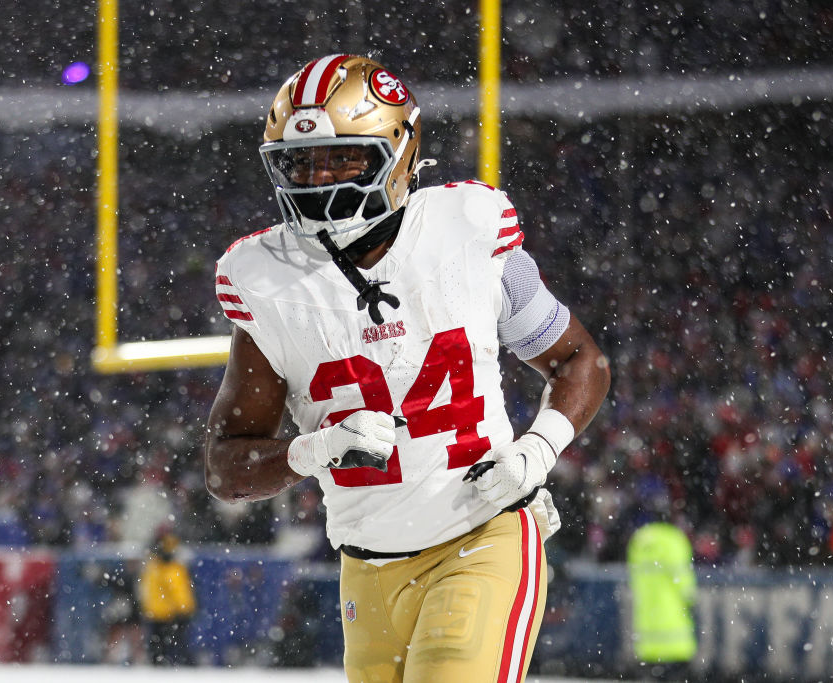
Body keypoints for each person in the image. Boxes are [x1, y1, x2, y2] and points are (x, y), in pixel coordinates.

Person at [205, 54, 610, 683]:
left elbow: (579, 359)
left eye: (344, 159)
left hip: (481, 536)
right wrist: (310, 451)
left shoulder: (466, 233)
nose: (319, 181)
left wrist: (538, 449)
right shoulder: (263, 280)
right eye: (302, 163)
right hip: (366, 564)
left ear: (399, 150)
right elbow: (226, 467)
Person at [627, 521, 697, 681]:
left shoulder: (639, 540)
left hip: (647, 640)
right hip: (676, 639)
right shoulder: (674, 539)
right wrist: (691, 600)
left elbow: (634, 579)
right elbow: (684, 584)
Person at [137, 531, 197, 666]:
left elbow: (179, 592)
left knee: (168, 650)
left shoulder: (165, 569)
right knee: (163, 651)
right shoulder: (159, 568)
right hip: (160, 614)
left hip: (167, 614)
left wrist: (183, 609)